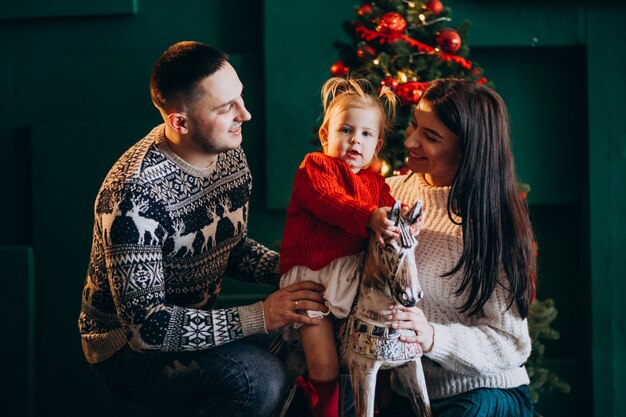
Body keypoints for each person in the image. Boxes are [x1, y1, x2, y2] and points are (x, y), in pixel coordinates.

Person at [77, 41, 327, 417]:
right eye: (227, 108)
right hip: (127, 351)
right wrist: (262, 315)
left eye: (240, 98)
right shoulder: (133, 197)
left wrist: (301, 272)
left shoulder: (228, 152)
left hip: (196, 323)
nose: (246, 114)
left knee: (310, 332)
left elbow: (231, 248)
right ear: (180, 122)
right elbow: (148, 329)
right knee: (259, 379)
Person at [385, 78, 536, 417]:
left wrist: (433, 337)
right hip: (411, 394)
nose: (410, 140)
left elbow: (512, 343)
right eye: (414, 125)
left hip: (486, 394)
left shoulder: (490, 224)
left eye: (431, 136)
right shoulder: (386, 194)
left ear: (468, 149)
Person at [279, 77, 404, 417]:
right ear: (325, 136)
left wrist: (403, 220)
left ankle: (374, 403)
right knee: (325, 362)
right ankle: (324, 408)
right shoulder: (316, 167)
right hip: (313, 278)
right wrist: (369, 217)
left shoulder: (376, 183)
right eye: (345, 130)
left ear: (377, 146)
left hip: (352, 278)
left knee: (366, 350)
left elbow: (391, 212)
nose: (354, 140)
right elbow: (328, 201)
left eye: (365, 134)